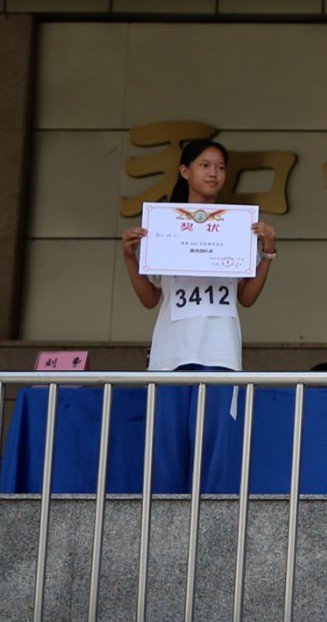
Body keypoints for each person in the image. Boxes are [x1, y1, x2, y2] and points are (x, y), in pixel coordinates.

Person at [119, 136, 277, 491]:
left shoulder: (239, 228)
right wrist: (129, 257)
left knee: (216, 451)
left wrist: (268, 253)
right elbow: (150, 299)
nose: (213, 173)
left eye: (220, 167)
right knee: (166, 449)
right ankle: (164, 518)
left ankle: (211, 519)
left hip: (219, 352)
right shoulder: (162, 227)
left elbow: (246, 297)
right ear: (185, 171)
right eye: (205, 165)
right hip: (170, 353)